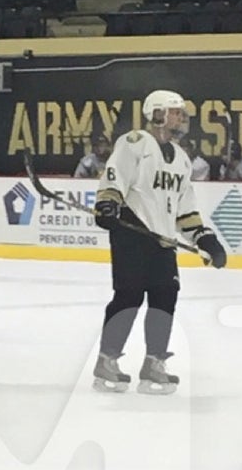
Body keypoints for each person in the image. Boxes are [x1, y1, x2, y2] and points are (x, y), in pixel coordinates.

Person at [92, 89, 226, 395]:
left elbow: (185, 210)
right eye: (176, 111)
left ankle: (154, 362)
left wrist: (205, 239)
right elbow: (115, 178)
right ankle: (107, 360)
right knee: (128, 296)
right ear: (158, 114)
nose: (181, 117)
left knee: (166, 296)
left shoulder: (181, 159)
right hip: (132, 232)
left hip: (162, 241)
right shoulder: (135, 143)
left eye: (180, 112)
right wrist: (108, 203)